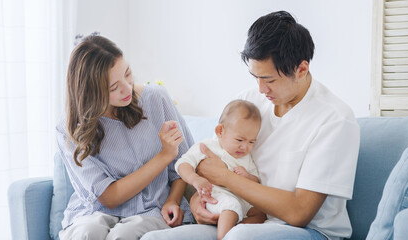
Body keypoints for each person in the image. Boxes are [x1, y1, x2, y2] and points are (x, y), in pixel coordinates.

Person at [142, 10, 360, 240]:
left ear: (301, 69)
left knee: (241, 237)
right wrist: (198, 202)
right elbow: (208, 162)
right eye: (255, 77)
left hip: (306, 231)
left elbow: (299, 212)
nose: (260, 89)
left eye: (269, 80)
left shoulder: (335, 119)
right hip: (239, 216)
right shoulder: (248, 104)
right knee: (154, 238)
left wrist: (226, 178)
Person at [56, 35, 194, 240]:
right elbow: (109, 197)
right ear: (91, 93)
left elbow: (185, 162)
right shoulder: (69, 128)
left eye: (127, 73)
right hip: (96, 211)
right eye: (113, 88)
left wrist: (172, 200)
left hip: (152, 207)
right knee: (87, 233)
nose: (127, 88)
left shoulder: (156, 98)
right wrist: (163, 156)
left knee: (124, 235)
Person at [175, 99, 266, 239]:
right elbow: (183, 164)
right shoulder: (207, 146)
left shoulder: (247, 157)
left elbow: (256, 180)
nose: (245, 147)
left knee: (260, 213)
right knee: (231, 206)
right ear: (220, 131)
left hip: (242, 198)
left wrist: (247, 176)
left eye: (251, 142)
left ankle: (234, 230)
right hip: (216, 195)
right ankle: (223, 236)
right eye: (240, 140)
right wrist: (195, 179)